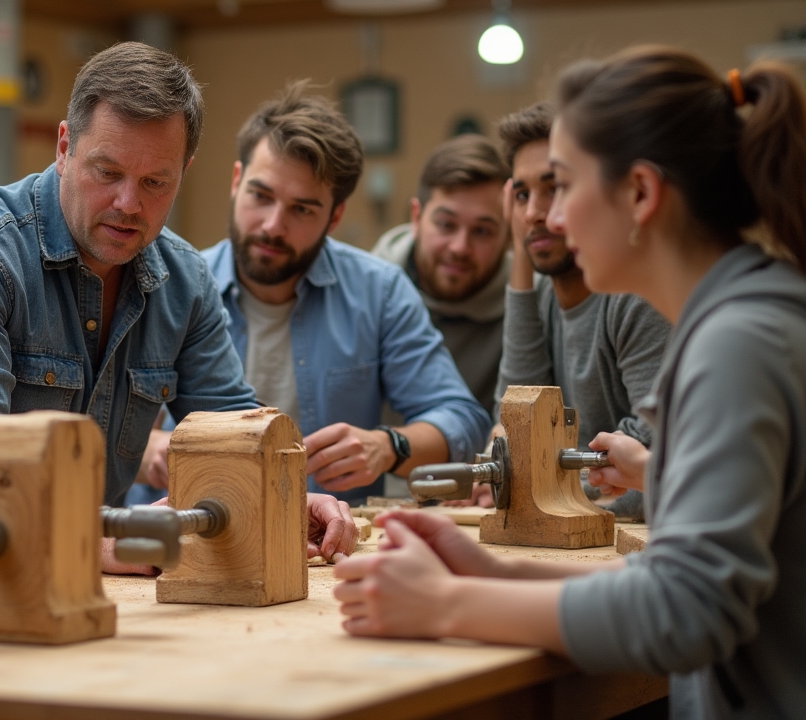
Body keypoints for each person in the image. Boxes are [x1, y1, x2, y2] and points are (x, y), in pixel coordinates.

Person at [333, 47, 806, 718]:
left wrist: (443, 603)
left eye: (563, 186)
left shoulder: (739, 343)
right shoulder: (737, 321)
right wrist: (496, 575)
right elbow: (678, 573)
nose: (547, 221)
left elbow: (687, 610)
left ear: (639, 194)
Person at [0, 44, 356, 567]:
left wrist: (285, 497)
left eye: (155, 182)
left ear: (184, 172)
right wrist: (96, 539)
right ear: (64, 147)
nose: (128, 204)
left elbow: (232, 433)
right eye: (107, 172)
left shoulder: (184, 281)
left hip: (71, 578)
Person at [136, 83, 489, 506]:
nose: (273, 225)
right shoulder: (166, 284)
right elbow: (85, 420)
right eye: (261, 196)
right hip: (181, 528)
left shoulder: (379, 292)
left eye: (301, 209)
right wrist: (146, 447)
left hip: (328, 535)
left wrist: (387, 447)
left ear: (335, 216)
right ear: (236, 181)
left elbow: (463, 421)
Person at [481, 101, 670, 518]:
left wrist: (531, 485)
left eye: (555, 188)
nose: (535, 213)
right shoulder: (541, 294)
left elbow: (652, 464)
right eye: (522, 196)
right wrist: (520, 253)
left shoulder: (635, 297)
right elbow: (516, 421)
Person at [372, 134, 512, 411]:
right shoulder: (366, 292)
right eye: (446, 225)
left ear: (508, 236)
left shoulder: (529, 305)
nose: (460, 247)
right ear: (416, 218)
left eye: (482, 231)